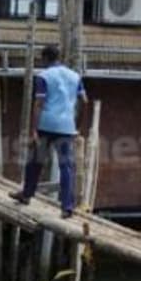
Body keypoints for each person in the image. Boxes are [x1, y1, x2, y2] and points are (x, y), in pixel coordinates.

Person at [10, 45, 88, 218]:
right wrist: (78, 125)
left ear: (45, 58)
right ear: (59, 57)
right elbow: (84, 100)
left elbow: (39, 104)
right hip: (67, 127)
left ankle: (26, 194)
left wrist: (34, 130)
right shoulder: (75, 76)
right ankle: (67, 206)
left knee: (35, 162)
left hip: (46, 125)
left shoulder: (43, 76)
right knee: (66, 167)